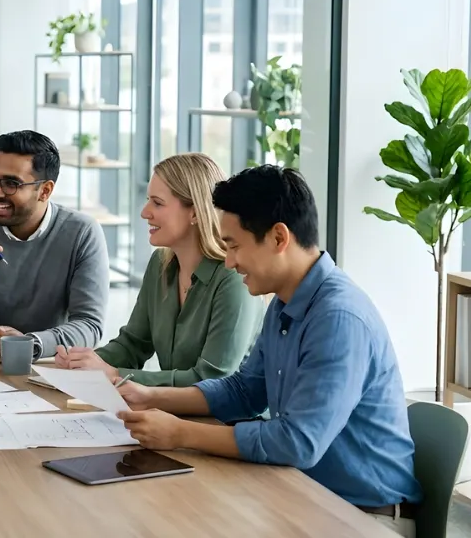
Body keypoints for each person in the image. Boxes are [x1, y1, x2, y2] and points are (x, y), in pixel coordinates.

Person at [114, 165, 422, 537]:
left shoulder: (338, 317)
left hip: (362, 516)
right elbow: (245, 390)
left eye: (234, 246)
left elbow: (298, 442)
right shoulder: (286, 300)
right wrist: (151, 397)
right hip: (301, 491)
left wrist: (180, 434)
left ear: (279, 238)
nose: (229, 262)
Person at [54, 153, 262, 385]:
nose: (144, 212)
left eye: (158, 202)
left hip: (223, 419)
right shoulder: (160, 265)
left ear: (195, 212)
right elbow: (132, 344)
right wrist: (82, 363)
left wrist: (113, 375)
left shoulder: (232, 277)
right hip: (171, 412)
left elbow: (212, 379)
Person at [0, 130, 108, 358]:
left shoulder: (82, 233)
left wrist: (32, 343)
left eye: (11, 183)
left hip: (52, 367)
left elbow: (90, 326)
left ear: (45, 191)